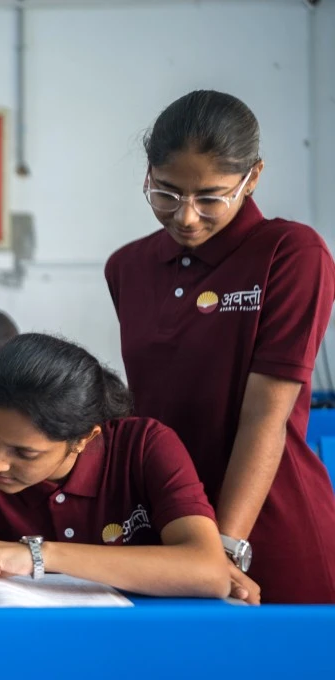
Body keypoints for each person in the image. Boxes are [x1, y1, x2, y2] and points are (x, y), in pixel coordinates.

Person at [105, 90, 335, 603]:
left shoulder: (291, 253)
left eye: (211, 197)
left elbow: (265, 418)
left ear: (252, 178)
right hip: (167, 523)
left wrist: (222, 551)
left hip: (266, 523)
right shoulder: (127, 267)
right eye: (167, 192)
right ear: (148, 173)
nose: (186, 217)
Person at [0, 334, 231, 600]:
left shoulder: (145, 447)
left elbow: (208, 570)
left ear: (84, 439)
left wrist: (38, 555)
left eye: (25, 453)